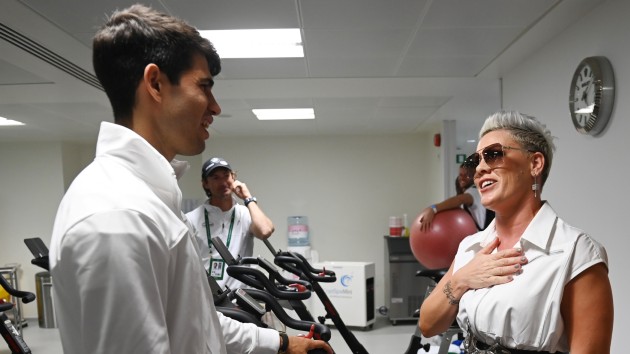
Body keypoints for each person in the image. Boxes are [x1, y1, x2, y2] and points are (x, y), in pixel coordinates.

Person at [48, 4, 332, 354]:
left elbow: (194, 322)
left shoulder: (147, 199)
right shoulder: (119, 217)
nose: (214, 106)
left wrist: (281, 342)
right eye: (204, 87)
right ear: (155, 84)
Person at [419, 111, 613, 354]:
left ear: (535, 164)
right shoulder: (471, 247)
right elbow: (428, 325)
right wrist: (460, 281)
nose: (479, 169)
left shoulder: (575, 252)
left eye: (493, 155)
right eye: (475, 160)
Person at [187, 157, 275, 290]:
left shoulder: (245, 213)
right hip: (208, 300)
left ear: (233, 177)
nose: (223, 182)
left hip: (242, 300)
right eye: (215, 178)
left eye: (226, 176)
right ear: (205, 183)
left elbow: (265, 231)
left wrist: (248, 198)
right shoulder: (192, 219)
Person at [418, 162, 492, 232]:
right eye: (460, 175)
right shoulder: (475, 190)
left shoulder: (474, 191)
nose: (462, 178)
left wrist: (433, 209)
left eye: (467, 175)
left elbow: (460, 199)